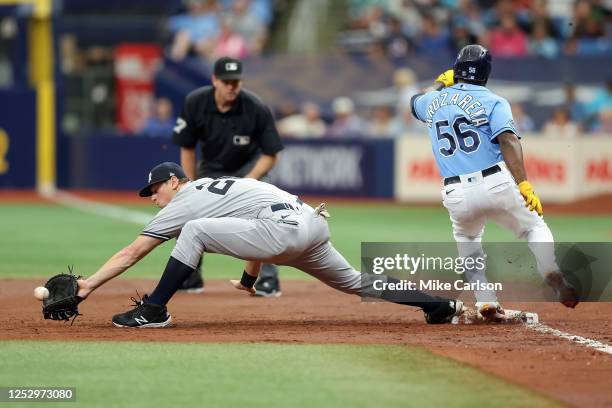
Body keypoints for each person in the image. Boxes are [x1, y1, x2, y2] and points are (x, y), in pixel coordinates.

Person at [74, 162, 465, 328]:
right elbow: (250, 230)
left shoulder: (188, 198)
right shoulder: (219, 187)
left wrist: (88, 285)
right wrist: (248, 280)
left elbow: (134, 251)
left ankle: (154, 310)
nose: (153, 197)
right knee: (355, 281)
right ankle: (438, 305)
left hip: (282, 230)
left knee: (193, 230)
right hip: (310, 224)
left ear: (175, 181)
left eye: (155, 189)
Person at [410, 44, 579, 322]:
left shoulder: (432, 101)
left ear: (456, 69)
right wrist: (523, 183)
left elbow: (414, 102)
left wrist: (439, 84)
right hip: (495, 183)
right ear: (487, 72)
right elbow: (508, 139)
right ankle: (550, 269)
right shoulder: (494, 100)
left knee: (467, 239)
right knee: (533, 226)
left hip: (455, 192)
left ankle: (486, 299)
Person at [172, 56, 283, 297]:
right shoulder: (195, 102)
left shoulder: (254, 106)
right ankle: (189, 277)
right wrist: (188, 186)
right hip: (211, 169)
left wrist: (250, 180)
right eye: (226, 81)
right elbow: (187, 148)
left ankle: (268, 280)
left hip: (249, 168)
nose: (231, 86)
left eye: (236, 81)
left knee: (267, 213)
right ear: (215, 80)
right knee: (187, 211)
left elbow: (271, 154)